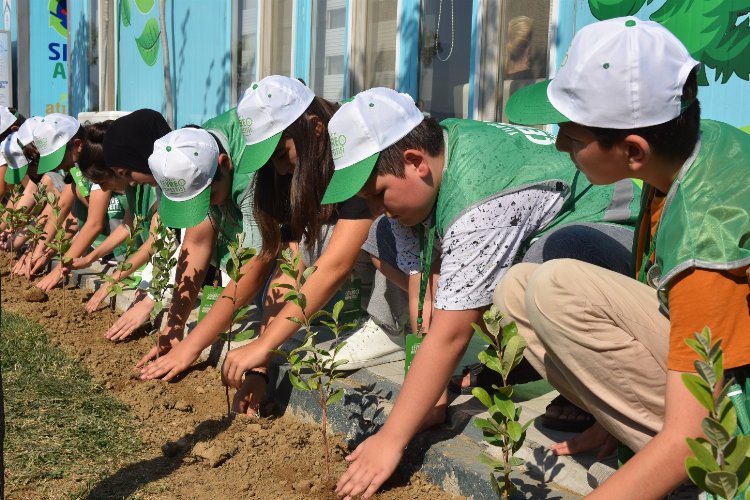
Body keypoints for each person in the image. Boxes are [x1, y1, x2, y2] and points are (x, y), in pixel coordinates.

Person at [310, 86, 640, 499]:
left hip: (612, 226)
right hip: (533, 222)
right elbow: (421, 286)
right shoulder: (433, 149)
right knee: (382, 234)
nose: (376, 205)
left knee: (543, 278)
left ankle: (600, 400)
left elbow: (449, 333)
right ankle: (510, 356)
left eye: (377, 194)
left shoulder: (480, 204)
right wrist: (428, 388)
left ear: (415, 163)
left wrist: (392, 439)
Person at [494, 17, 750, 498]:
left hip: (735, 425)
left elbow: (691, 436)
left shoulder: (707, 238)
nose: (558, 144)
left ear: (632, 150)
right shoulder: (689, 149)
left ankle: (714, 472)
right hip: (719, 367)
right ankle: (640, 439)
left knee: (558, 289)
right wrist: (615, 414)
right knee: (518, 288)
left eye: (571, 135)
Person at [146, 76, 408, 420]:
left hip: (420, 248)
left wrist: (262, 345)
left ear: (315, 129)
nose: (281, 169)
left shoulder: (355, 146)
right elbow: (289, 262)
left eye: (282, 154)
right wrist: (261, 366)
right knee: (312, 242)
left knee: (372, 227)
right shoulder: (279, 176)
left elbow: (335, 263)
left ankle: (392, 327)